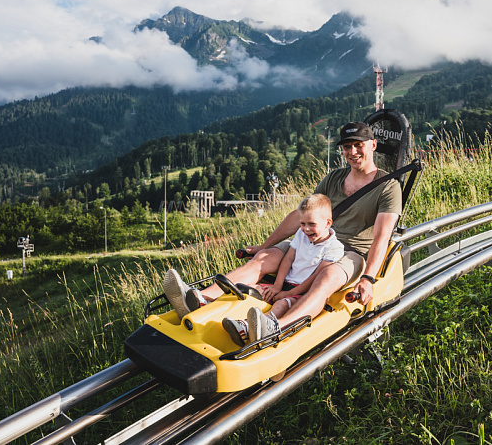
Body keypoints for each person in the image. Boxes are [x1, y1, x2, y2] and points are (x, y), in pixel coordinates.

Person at [163, 121, 401, 341]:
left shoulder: (388, 187)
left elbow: (382, 236)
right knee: (264, 258)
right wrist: (264, 247)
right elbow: (302, 215)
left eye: (358, 145)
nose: (352, 152)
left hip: (350, 252)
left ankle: (276, 326)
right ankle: (200, 298)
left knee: (327, 277)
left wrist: (368, 278)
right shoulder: (334, 178)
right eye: (347, 147)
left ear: (373, 145)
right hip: (313, 238)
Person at [221, 193, 344, 346]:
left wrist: (289, 293)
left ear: (327, 223)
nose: (306, 229)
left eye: (311, 224)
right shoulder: (301, 234)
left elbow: (316, 277)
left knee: (282, 304)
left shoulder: (334, 248)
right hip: (285, 283)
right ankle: (216, 307)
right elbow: (288, 259)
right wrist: (278, 285)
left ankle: (259, 326)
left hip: (301, 291)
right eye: (302, 223)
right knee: (252, 289)